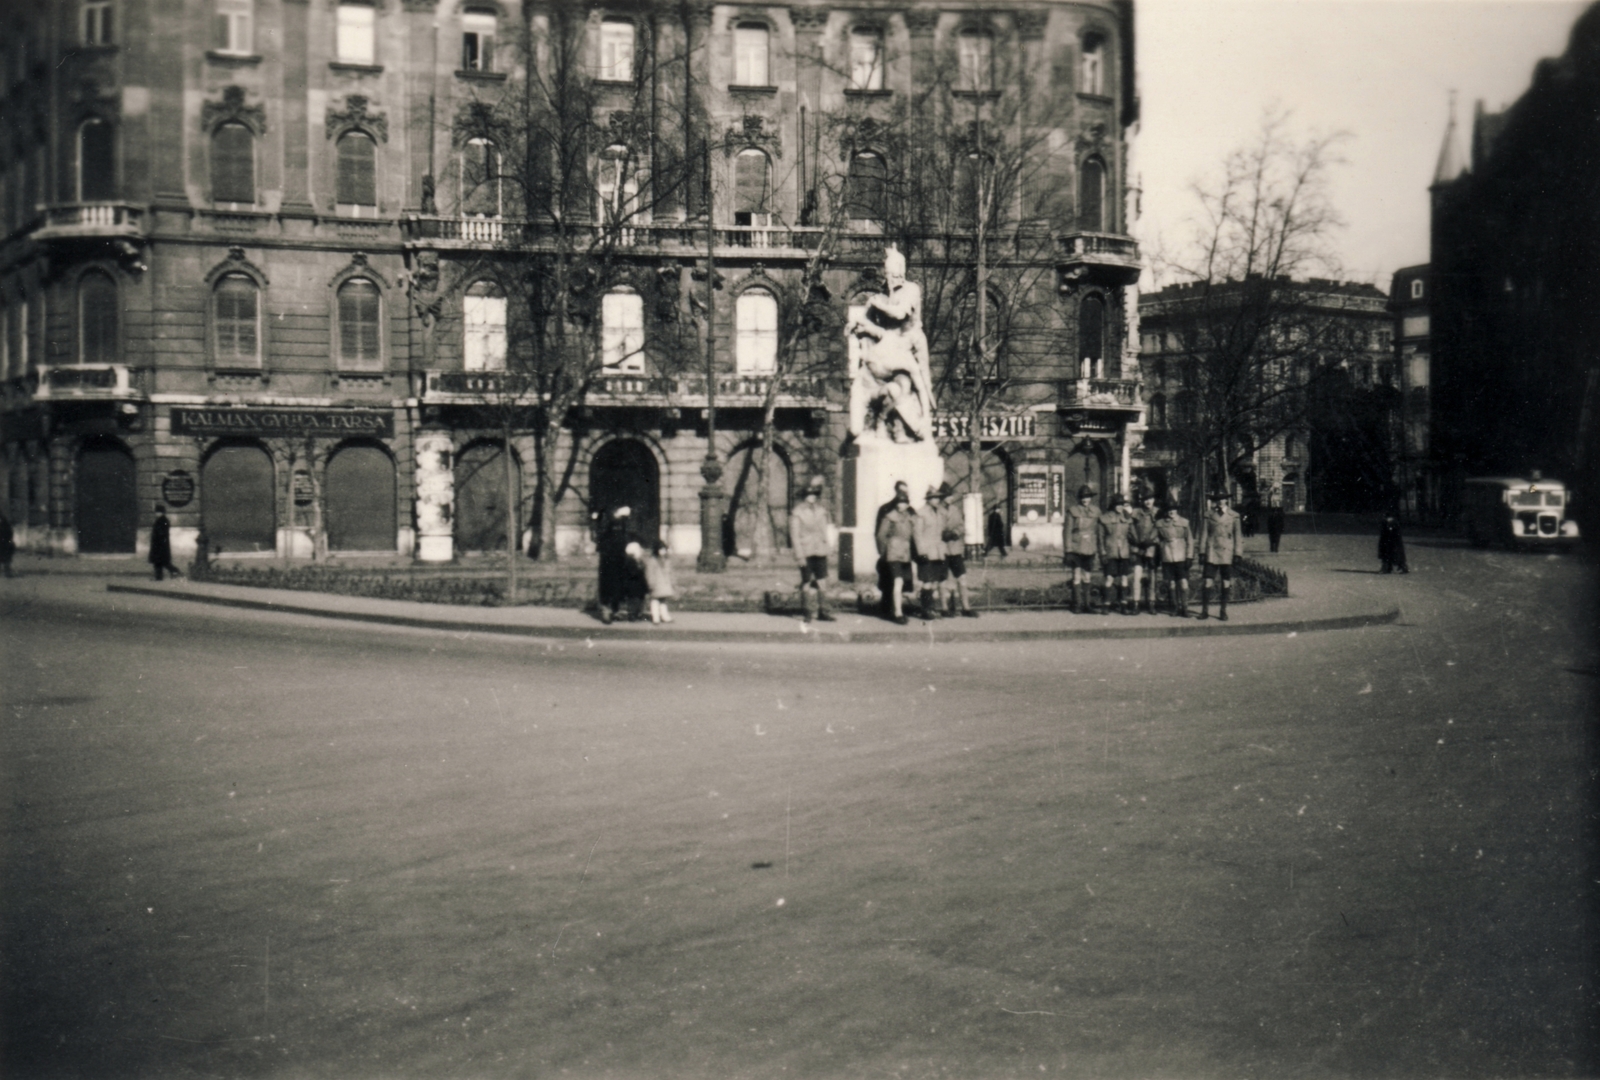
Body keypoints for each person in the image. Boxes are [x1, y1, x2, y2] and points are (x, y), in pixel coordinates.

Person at [789, 475, 836, 623]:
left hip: (820, 550)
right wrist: (799, 555)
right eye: (809, 495)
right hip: (806, 551)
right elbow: (795, 536)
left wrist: (829, 548)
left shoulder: (822, 511)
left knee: (822, 581)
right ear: (804, 496)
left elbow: (826, 531)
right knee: (807, 581)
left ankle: (824, 611)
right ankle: (808, 612)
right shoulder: (797, 512)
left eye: (814, 494)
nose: (812, 497)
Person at [1198, 492, 1244, 621]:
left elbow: (1238, 536)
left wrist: (1237, 553)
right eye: (1217, 499)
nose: (1220, 502)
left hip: (1227, 552)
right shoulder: (1208, 515)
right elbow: (1203, 534)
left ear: (1227, 500)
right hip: (1212, 551)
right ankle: (1205, 611)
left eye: (1222, 499)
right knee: (1207, 581)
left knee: (1225, 581)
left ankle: (1223, 611)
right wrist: (1202, 552)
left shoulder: (1234, 516)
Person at [874, 488, 916, 624]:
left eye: (904, 503)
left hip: (905, 554)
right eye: (899, 502)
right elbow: (881, 536)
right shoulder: (890, 517)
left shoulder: (910, 518)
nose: (901, 505)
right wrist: (884, 552)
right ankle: (898, 613)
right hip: (893, 553)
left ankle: (897, 609)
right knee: (897, 581)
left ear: (908, 505)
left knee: (901, 583)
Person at [940, 484, 978, 617]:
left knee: (962, 578)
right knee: (942, 580)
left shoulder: (955, 509)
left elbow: (962, 526)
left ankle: (966, 607)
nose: (950, 498)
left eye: (951, 495)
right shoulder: (937, 510)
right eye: (947, 496)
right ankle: (944, 608)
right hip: (942, 549)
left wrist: (955, 532)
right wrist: (943, 534)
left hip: (955, 549)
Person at [596, 505, 639, 624]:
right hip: (608, 555)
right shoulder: (605, 513)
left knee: (620, 582)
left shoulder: (625, 518)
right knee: (607, 582)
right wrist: (616, 516)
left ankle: (616, 609)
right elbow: (602, 530)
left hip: (621, 554)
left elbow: (630, 532)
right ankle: (606, 609)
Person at [912, 484, 947, 619]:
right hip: (926, 552)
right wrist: (921, 553)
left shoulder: (939, 512)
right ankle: (925, 610)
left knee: (933, 581)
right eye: (933, 498)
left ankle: (931, 608)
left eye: (938, 498)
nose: (936, 500)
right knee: (926, 581)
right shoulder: (921, 513)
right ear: (928, 499)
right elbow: (917, 534)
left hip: (937, 551)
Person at [1062, 485, 1099, 613]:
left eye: (1087, 497)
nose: (1085, 499)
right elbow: (1067, 532)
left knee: (1087, 576)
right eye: (1083, 497)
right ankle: (1077, 604)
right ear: (1079, 498)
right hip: (1076, 547)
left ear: (1091, 498)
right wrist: (1068, 550)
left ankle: (1087, 604)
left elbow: (1099, 530)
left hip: (1090, 547)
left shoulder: (1096, 511)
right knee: (1077, 576)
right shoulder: (1072, 511)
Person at [1097, 493, 1135, 614]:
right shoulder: (1105, 518)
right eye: (1117, 504)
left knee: (1124, 578)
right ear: (1113, 505)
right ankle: (1106, 604)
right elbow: (1100, 537)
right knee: (1109, 578)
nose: (1119, 507)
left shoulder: (1127, 518)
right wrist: (1102, 553)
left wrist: (1133, 551)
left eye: (1121, 504)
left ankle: (1123, 604)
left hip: (1124, 552)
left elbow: (1132, 536)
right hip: (1110, 552)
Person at [1156, 503, 1194, 617]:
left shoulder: (1184, 522)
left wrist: (1189, 556)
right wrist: (1161, 549)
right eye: (1169, 509)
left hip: (1181, 556)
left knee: (1183, 583)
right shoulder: (1160, 524)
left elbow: (1190, 541)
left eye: (1173, 509)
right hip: (1167, 556)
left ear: (1177, 510)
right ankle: (1174, 607)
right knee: (1171, 584)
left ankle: (1185, 608)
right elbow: (1157, 539)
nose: (1171, 511)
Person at [1128, 491, 1161, 614]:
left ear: (1153, 500)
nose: (1148, 501)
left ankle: (1152, 603)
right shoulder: (1136, 512)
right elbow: (1130, 528)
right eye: (1145, 499)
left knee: (1152, 576)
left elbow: (1160, 529)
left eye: (1150, 498)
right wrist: (1136, 540)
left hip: (1152, 548)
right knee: (1137, 575)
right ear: (1141, 500)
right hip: (1138, 548)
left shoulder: (1158, 513)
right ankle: (1135, 603)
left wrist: (1151, 541)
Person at [643, 540, 677, 624]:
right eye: (661, 549)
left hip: (664, 583)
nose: (663, 551)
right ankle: (656, 617)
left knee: (663, 600)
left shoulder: (666, 560)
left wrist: (673, 582)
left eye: (664, 549)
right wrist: (651, 583)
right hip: (656, 583)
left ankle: (664, 616)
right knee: (655, 600)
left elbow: (670, 572)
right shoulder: (652, 561)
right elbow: (649, 573)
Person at [149, 504, 182, 581]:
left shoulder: (163, 521)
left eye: (157, 512)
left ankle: (174, 571)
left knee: (162, 562)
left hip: (160, 545)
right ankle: (159, 577)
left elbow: (161, 533)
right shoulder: (162, 520)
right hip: (159, 545)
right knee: (160, 562)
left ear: (161, 512)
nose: (156, 514)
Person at [0, 510, 15, 578]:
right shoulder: (4, 521)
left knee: (6, 558)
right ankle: (7, 572)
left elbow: (9, 532)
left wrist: (8, 540)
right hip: (4, 542)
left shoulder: (4, 521)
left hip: (4, 543)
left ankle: (7, 572)